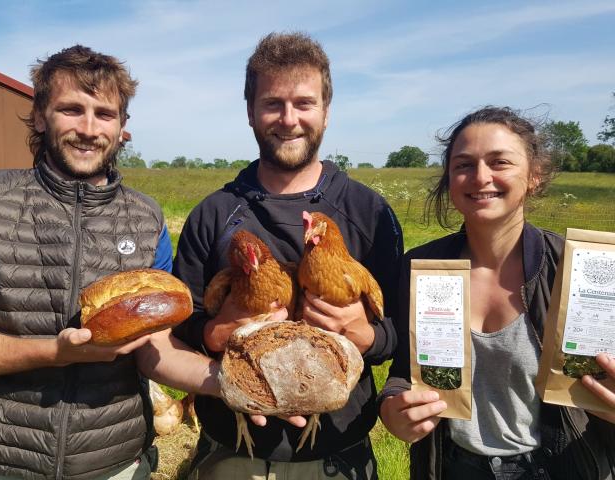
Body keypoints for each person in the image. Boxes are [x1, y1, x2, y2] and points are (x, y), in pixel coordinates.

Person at [0, 45, 218, 479]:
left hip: (116, 463)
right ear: (39, 116)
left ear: (123, 127)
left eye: (104, 114)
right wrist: (56, 353)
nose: (89, 129)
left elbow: (155, 348)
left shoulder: (146, 218)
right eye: (71, 110)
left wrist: (229, 384)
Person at [170, 32, 403, 479]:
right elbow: (183, 324)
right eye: (273, 103)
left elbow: (403, 329)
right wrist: (215, 332)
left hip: (337, 453)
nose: (289, 119)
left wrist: (368, 335)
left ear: (326, 111)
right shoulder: (214, 213)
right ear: (251, 112)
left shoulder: (369, 213)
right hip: (234, 452)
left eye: (304, 103)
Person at [379, 106, 615, 480]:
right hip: (453, 467)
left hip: (559, 465)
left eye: (499, 162)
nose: (481, 177)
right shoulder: (423, 267)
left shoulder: (577, 270)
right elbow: (405, 372)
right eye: (464, 165)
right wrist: (393, 406)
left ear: (534, 175)